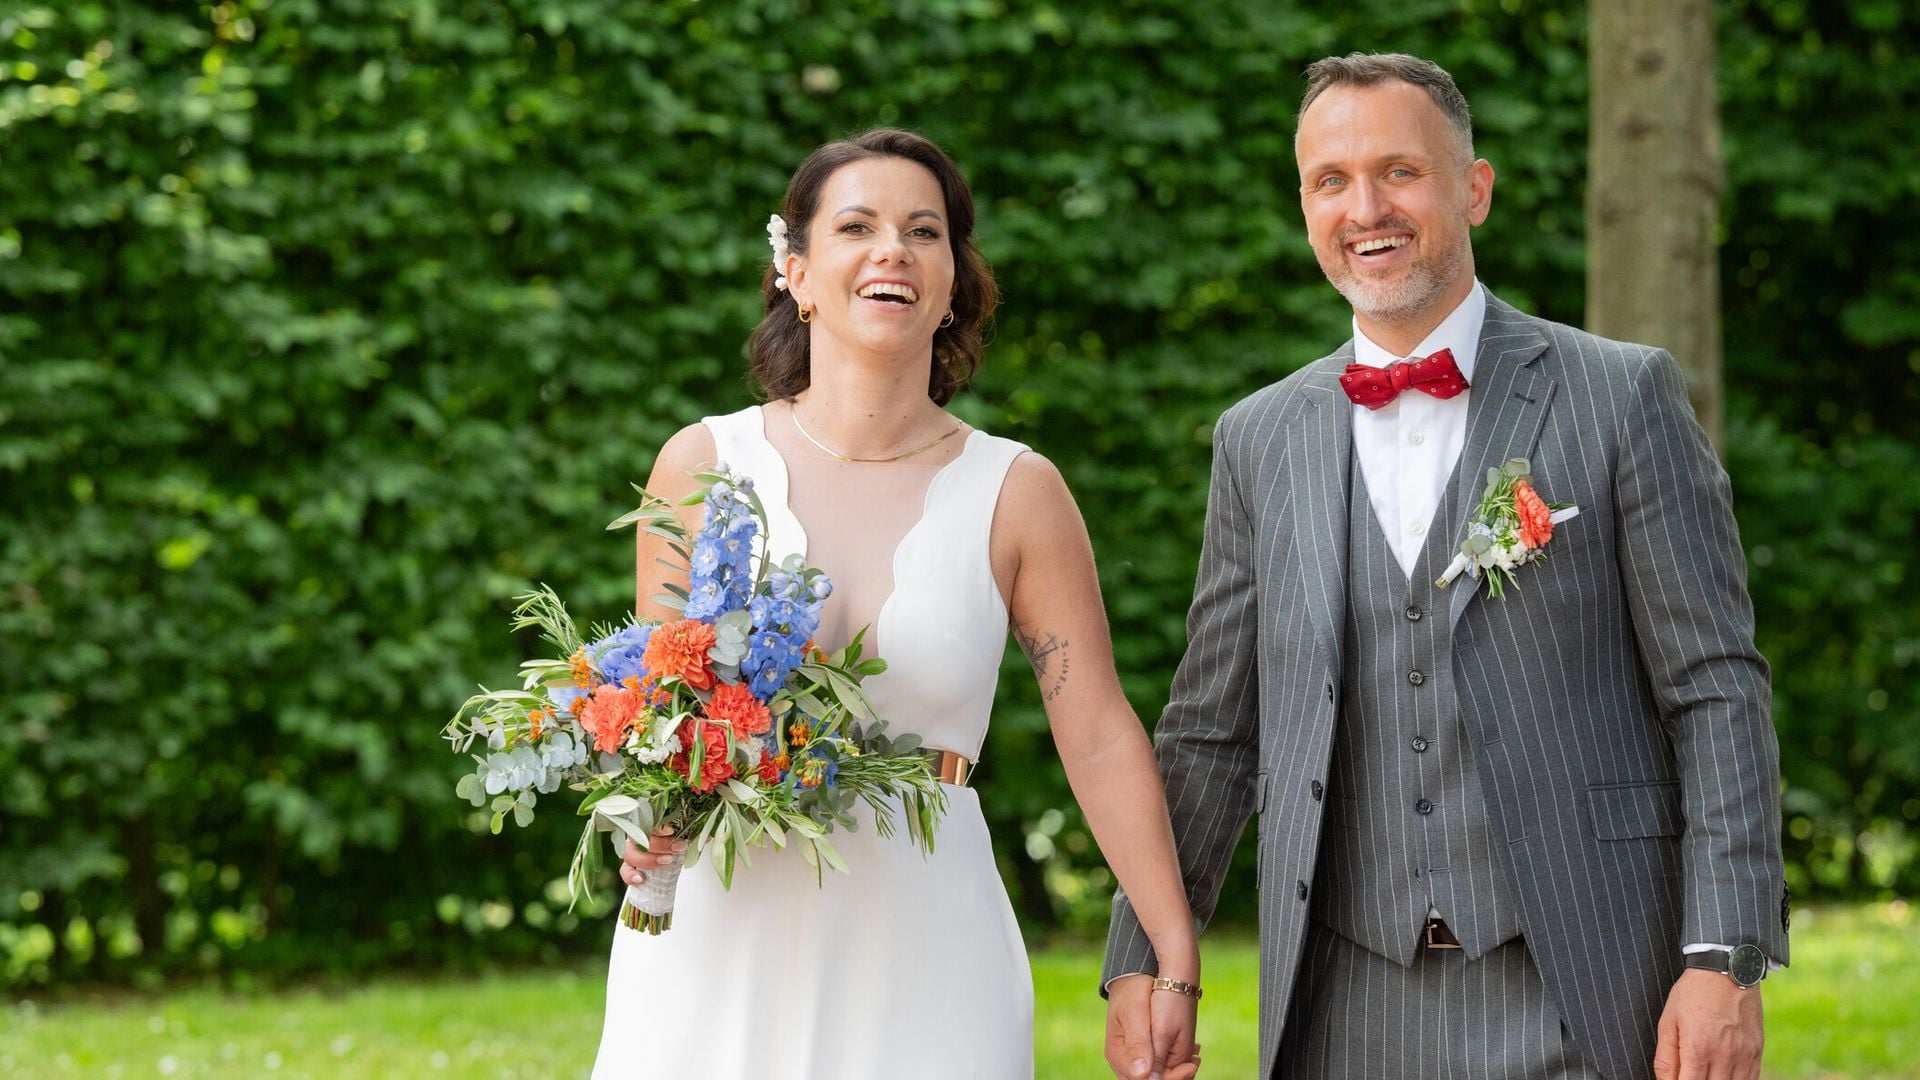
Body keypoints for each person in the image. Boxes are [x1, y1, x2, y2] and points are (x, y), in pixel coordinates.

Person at [1102, 53, 1789, 1080]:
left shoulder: (1621, 395)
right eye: (1330, 180)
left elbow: (1715, 690)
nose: (1365, 206)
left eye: (1401, 172)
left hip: (1590, 987)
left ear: (1474, 187)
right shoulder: (1259, 438)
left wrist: (1724, 957)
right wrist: (1144, 959)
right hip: (1342, 1002)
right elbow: (1210, 730)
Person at [592, 129, 1201, 1080]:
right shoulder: (702, 465)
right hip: (721, 928)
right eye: (857, 227)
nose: (893, 251)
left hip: (930, 940)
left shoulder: (1018, 489)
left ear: (952, 281)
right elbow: (650, 714)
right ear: (795, 271)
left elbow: (1096, 730)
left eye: (924, 231)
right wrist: (643, 815)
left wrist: (1173, 953)